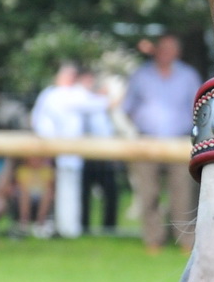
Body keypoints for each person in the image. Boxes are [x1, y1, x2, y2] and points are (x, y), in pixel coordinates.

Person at [122, 34, 201, 251]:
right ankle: (153, 240)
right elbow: (127, 107)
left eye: (170, 48)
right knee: (148, 193)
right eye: (162, 48)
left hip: (180, 142)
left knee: (183, 194)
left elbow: (199, 108)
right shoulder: (140, 75)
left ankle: (185, 241)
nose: (166, 52)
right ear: (155, 50)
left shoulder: (188, 76)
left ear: (177, 52)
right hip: (146, 141)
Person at [30, 62, 109, 239]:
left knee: (66, 189)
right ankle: (63, 227)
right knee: (57, 189)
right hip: (53, 151)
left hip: (62, 151)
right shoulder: (64, 94)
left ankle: (66, 227)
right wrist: (105, 96)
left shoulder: (62, 93)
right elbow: (100, 105)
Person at [78, 69, 120, 233]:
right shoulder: (82, 98)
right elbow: (112, 102)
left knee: (111, 192)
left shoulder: (99, 101)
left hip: (105, 153)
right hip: (87, 153)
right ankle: (84, 226)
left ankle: (109, 227)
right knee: (84, 194)